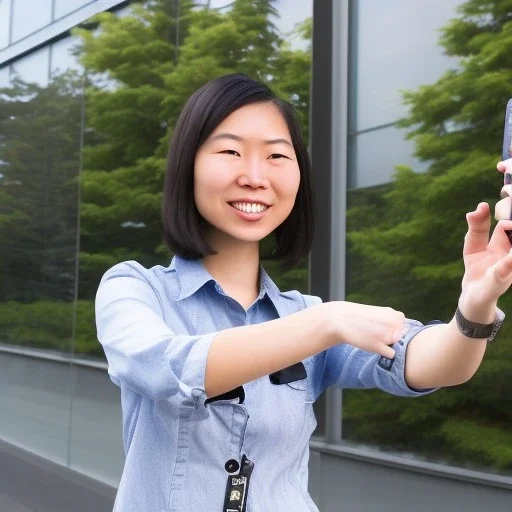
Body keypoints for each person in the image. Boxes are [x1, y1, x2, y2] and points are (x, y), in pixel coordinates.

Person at [95, 74, 511, 512]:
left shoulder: (307, 315)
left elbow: (431, 363)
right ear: (188, 166)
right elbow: (162, 368)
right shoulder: (135, 288)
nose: (255, 177)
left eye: (276, 155)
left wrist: (476, 303)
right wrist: (324, 324)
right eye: (230, 151)